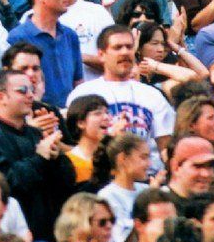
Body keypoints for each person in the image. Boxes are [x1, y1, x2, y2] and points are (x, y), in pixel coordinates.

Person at [0, 69, 76, 242]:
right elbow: (5, 182)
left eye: (32, 89)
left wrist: (56, 158)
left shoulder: (36, 134)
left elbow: (67, 181)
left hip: (49, 232)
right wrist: (40, 158)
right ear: (1, 97)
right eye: (22, 91)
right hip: (12, 236)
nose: (31, 95)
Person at [67, 25, 175, 171]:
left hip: (147, 178)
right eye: (117, 47)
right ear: (101, 54)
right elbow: (75, 146)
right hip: (98, 175)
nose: (124, 52)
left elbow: (166, 147)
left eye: (129, 47)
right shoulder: (84, 93)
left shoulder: (152, 95)